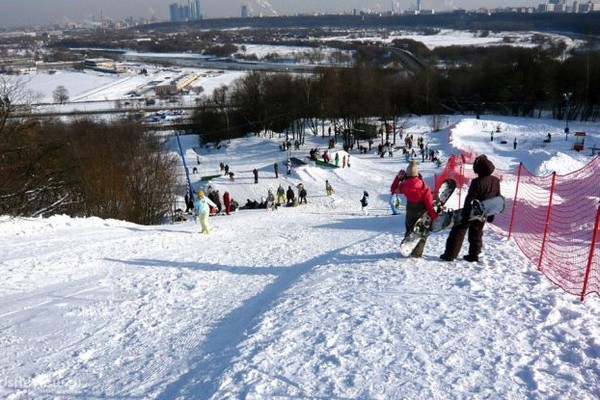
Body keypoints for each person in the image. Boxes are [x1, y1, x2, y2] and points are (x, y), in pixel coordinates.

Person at [440, 154, 501, 262]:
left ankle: (450, 254)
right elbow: (497, 198)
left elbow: (470, 199)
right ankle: (474, 255)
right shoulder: (495, 180)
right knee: (476, 233)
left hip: (472, 212)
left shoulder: (477, 182)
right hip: (484, 212)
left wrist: (465, 215)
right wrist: (491, 214)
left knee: (458, 230)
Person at [392, 160, 438, 258]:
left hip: (410, 210)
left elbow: (393, 189)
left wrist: (398, 178)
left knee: (410, 230)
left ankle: (406, 249)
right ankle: (417, 253)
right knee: (422, 231)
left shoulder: (404, 184)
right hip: (422, 211)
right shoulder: (423, 185)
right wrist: (434, 215)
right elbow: (429, 203)